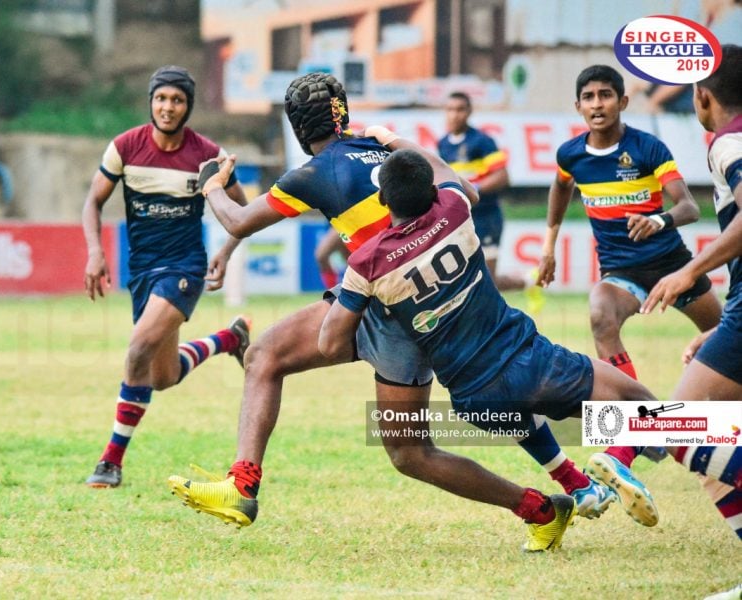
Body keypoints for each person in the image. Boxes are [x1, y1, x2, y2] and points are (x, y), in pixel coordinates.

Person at [168, 72, 618, 530]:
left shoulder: (313, 173)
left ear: (299, 128)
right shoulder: (384, 150)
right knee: (482, 409)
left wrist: (211, 185)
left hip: (382, 307)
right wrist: (395, 140)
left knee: (270, 360)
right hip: (445, 309)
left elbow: (238, 219)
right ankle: (569, 488)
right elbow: (466, 190)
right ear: (342, 113)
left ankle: (242, 485)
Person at [317, 148, 662, 549]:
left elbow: (329, 345)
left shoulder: (366, 263)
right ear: (432, 191)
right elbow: (455, 179)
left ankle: (577, 485)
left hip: (474, 398)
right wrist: (392, 139)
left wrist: (370, 300)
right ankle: (621, 457)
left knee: (519, 415)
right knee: (646, 407)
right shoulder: (453, 207)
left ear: (382, 199)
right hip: (529, 363)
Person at [535, 65, 724, 479]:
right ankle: (636, 427)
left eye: (605, 95)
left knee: (728, 339)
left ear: (622, 101)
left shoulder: (647, 148)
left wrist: (659, 220)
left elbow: (688, 206)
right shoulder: (571, 154)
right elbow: (561, 186)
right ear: (578, 106)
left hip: (673, 267)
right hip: (620, 271)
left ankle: (714, 432)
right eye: (589, 97)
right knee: (600, 313)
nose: (597, 104)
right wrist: (549, 247)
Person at [81, 66, 251, 488]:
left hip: (184, 268)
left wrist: (225, 253)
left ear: (188, 107)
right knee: (163, 377)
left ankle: (110, 462)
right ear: (151, 102)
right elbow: (92, 202)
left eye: (177, 100)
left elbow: (243, 210)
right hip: (142, 270)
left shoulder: (207, 155)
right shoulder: (125, 146)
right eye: (161, 98)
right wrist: (95, 251)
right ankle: (228, 339)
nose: (168, 107)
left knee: (138, 348)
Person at [642, 44, 742, 545]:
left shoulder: (730, 143)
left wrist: (689, 271)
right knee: (716, 450)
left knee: (680, 429)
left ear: (702, 95)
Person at [438, 92, 536, 298]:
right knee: (465, 279)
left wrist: (472, 190)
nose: (454, 114)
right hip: (461, 220)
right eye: (450, 109)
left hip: (486, 217)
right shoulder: (443, 144)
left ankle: (529, 283)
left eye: (460, 109)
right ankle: (530, 282)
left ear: (469, 112)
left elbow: (502, 176)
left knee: (486, 281)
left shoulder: (482, 141)